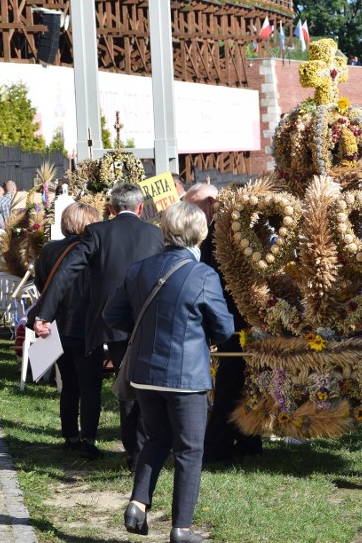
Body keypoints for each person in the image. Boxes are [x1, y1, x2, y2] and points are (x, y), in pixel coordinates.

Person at [104, 201, 234, 543]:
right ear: (201, 234)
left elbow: (113, 314)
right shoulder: (203, 274)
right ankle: (182, 529)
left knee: (156, 439)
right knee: (190, 451)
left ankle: (137, 503)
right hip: (186, 377)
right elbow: (223, 328)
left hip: (145, 373)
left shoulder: (140, 269)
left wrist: (144, 332)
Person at [33, 183, 165, 471]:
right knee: (146, 384)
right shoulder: (156, 233)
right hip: (149, 320)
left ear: (111, 209)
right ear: (140, 208)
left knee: (126, 383)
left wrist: (44, 313)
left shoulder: (98, 233)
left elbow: (67, 272)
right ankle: (142, 449)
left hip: (111, 323)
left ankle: (133, 451)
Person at [183, 183, 263, 465]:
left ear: (209, 203)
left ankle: (219, 445)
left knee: (233, 381)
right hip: (233, 318)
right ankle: (246, 439)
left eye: (192, 204)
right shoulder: (216, 233)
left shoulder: (220, 234)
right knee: (237, 381)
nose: (189, 211)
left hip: (233, 319)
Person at [31, 202, 103, 459]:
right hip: (86, 325)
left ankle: (70, 435)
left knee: (69, 384)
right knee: (91, 385)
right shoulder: (92, 250)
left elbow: (42, 284)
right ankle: (88, 439)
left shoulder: (49, 249)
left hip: (57, 325)